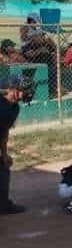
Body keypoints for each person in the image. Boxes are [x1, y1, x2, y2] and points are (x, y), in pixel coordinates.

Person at [0, 76, 34, 215]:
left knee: (3, 167)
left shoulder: (14, 108)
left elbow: (4, 131)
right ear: (11, 91)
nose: (26, 92)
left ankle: (3, 205)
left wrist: (4, 154)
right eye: (22, 90)